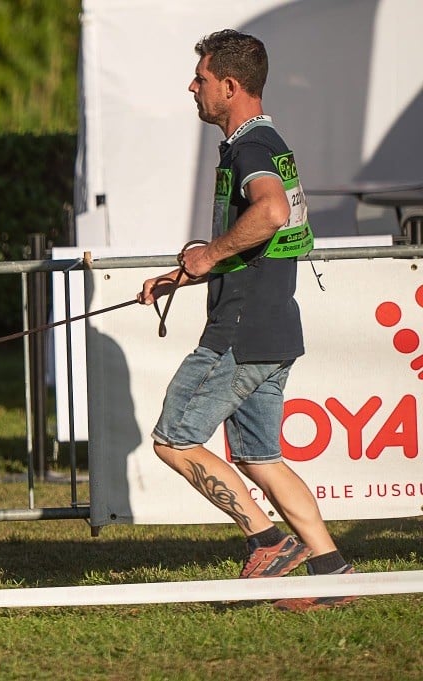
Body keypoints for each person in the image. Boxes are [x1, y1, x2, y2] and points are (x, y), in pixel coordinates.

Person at [137, 30, 354, 612]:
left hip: (240, 333)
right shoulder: (269, 144)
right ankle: (331, 571)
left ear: (229, 87)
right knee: (260, 458)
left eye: (202, 78)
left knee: (173, 440)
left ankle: (267, 540)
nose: (193, 86)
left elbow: (272, 212)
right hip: (274, 328)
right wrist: (182, 276)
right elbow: (264, 241)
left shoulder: (249, 150)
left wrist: (206, 255)